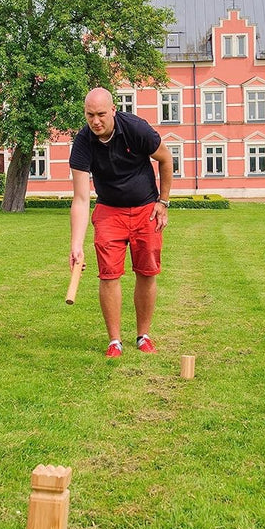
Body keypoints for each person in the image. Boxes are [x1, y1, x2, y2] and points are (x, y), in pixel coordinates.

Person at [69, 87, 174, 358]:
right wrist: (76, 245)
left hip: (145, 210)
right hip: (108, 211)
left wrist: (163, 202)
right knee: (109, 274)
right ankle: (114, 341)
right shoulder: (83, 142)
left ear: (113, 110)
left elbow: (165, 158)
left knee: (147, 271)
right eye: (90, 115)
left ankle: (143, 335)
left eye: (101, 114)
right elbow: (81, 198)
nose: (95, 121)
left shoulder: (136, 129)